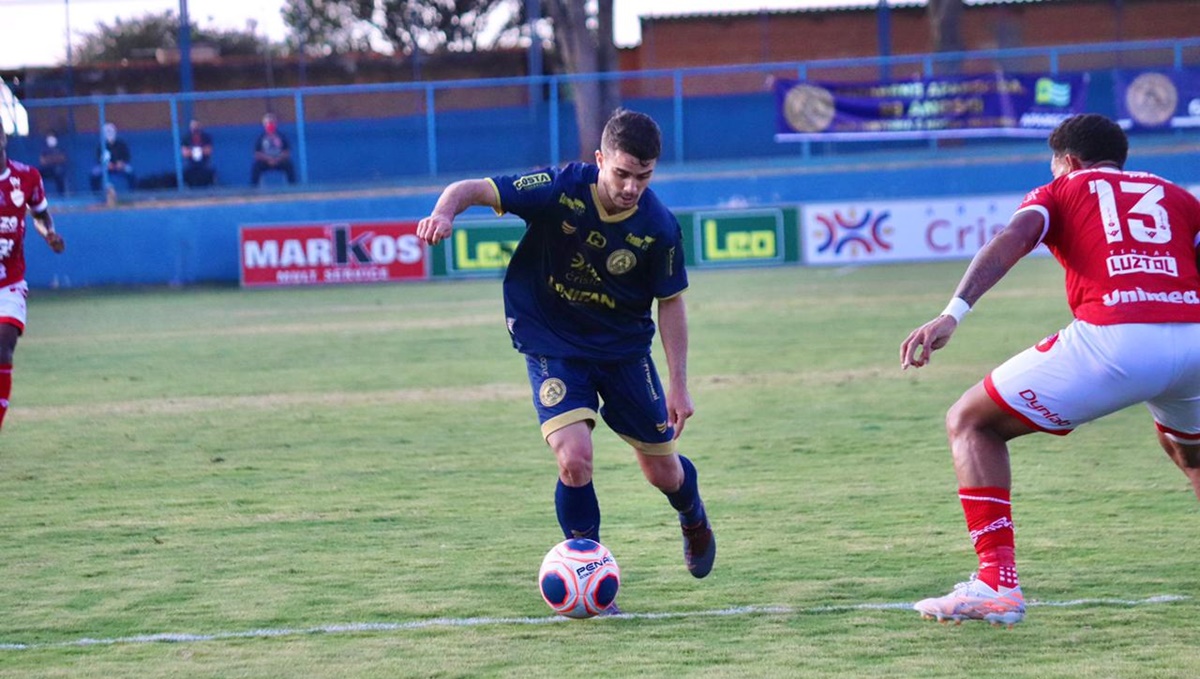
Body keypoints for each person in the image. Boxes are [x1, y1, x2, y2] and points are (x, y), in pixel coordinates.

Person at [899, 113, 1200, 627]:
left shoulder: (1062, 188)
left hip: (1117, 338)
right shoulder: (1178, 195)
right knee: (1189, 453)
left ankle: (996, 583)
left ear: (1069, 161)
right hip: (1193, 339)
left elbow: (1012, 238)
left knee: (972, 422)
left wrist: (954, 312)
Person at [416, 109, 717, 607]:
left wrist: (678, 383)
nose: (630, 187)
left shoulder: (659, 227)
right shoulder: (557, 187)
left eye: (643, 177)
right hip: (551, 342)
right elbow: (473, 187)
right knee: (574, 459)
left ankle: (693, 514)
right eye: (621, 173)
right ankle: (589, 566)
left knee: (663, 473)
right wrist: (445, 213)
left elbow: (671, 303)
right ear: (599, 159)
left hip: (623, 351)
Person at [0, 126, 66, 432]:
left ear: (3, 139)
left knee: (4, 346)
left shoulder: (27, 178)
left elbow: (40, 214)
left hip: (9, 282)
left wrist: (48, 233)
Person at [250, 113, 295, 186]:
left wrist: (277, 159)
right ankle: (254, 190)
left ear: (276, 124)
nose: (270, 124)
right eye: (268, 123)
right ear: (264, 124)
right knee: (256, 166)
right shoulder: (260, 138)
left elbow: (287, 153)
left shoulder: (282, 137)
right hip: (265, 162)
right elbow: (257, 154)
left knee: (289, 165)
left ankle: (293, 188)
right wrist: (269, 159)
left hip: (279, 161)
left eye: (272, 122)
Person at [89, 122, 135, 192]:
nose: (109, 134)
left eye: (111, 132)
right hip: (105, 167)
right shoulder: (101, 145)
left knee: (130, 172)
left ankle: (132, 192)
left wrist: (122, 163)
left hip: (120, 166)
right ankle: (96, 194)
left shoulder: (121, 144)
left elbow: (127, 156)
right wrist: (106, 164)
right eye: (107, 132)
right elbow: (98, 158)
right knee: (94, 174)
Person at [181, 119, 215, 188]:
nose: (195, 128)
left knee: (208, 171)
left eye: (197, 126)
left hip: (204, 162)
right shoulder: (186, 138)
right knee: (186, 172)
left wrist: (193, 151)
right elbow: (185, 153)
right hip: (191, 163)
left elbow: (208, 151)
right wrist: (200, 151)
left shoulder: (206, 137)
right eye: (193, 126)